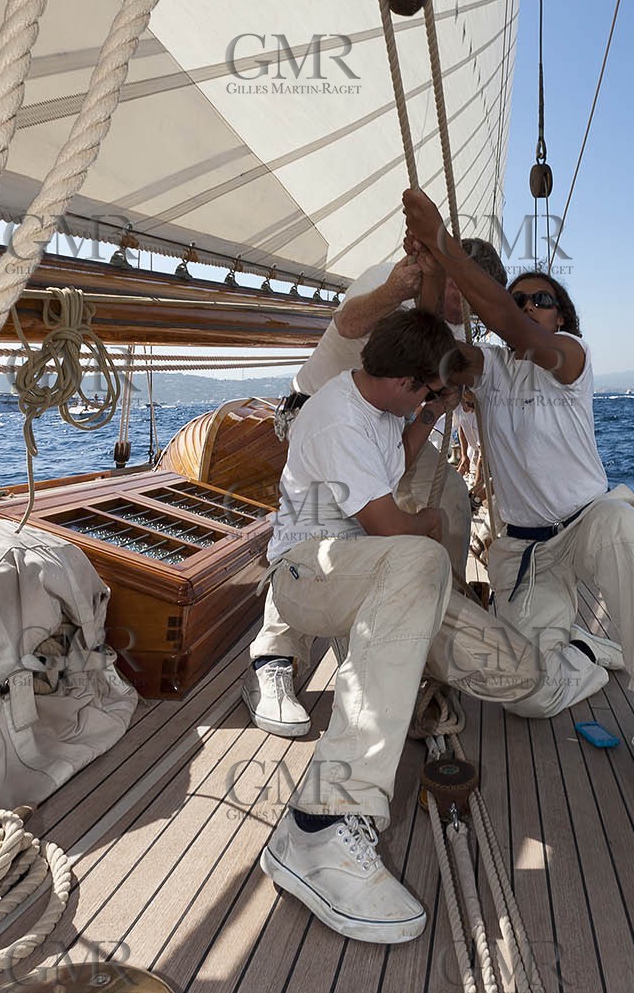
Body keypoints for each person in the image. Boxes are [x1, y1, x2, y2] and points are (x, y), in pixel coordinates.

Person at [257, 308, 606, 944]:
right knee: (420, 556)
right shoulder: (334, 416)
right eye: (425, 392)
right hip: (308, 574)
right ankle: (321, 825)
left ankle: (570, 660)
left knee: (519, 673)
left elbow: (392, 463)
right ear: (406, 381)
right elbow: (390, 527)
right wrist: (434, 526)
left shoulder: (383, 407)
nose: (426, 403)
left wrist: (425, 418)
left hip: (376, 576)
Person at [403, 188, 634, 789]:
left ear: (562, 319)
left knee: (624, 526)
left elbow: (513, 329)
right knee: (526, 697)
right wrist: (431, 271)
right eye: (518, 298)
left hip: (587, 524)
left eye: (542, 300)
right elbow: (431, 351)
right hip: (526, 550)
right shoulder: (491, 367)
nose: (528, 306)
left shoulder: (569, 359)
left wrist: (442, 242)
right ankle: (584, 652)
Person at [245, 239, 506, 738]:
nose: (471, 311)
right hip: (322, 413)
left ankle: (426, 632)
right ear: (452, 276)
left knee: (450, 500)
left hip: (388, 423)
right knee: (318, 528)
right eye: (469, 295)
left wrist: (441, 401)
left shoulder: (454, 324)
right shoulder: (393, 277)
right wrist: (393, 291)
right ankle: (274, 657)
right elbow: (347, 324)